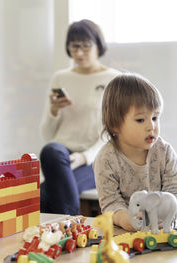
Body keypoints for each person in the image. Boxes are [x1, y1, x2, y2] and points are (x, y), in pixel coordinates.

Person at [94, 73, 177, 231]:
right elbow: (110, 202)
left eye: (155, 118)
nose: (151, 126)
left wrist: (171, 218)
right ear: (115, 125)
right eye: (140, 120)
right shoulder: (106, 159)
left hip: (176, 217)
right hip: (136, 225)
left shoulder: (164, 151)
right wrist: (124, 219)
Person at [40, 19, 120, 215]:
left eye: (86, 46)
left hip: (96, 157)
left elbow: (115, 131)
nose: (79, 53)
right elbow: (48, 134)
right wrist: (54, 111)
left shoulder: (114, 79)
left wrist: (85, 157)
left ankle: (65, 230)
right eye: (74, 47)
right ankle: (72, 229)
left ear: (98, 45)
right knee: (50, 150)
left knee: (45, 194)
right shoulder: (60, 78)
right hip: (62, 155)